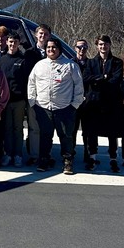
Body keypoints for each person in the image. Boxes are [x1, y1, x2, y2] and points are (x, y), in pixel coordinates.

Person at [28, 39, 85, 174]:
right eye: (48, 47)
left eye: (54, 47)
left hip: (65, 108)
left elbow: (79, 87)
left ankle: (67, 161)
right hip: (43, 108)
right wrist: (33, 104)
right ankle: (44, 160)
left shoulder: (70, 65)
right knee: (45, 136)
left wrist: (74, 105)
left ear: (59, 49)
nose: (50, 50)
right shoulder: (39, 65)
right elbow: (31, 83)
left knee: (66, 136)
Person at [82, 35, 124, 172]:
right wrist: (102, 77)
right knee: (92, 132)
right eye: (100, 44)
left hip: (111, 102)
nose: (103, 47)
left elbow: (116, 80)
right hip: (94, 103)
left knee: (112, 133)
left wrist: (98, 82)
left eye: (105, 44)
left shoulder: (117, 62)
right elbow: (86, 79)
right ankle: (93, 158)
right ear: (97, 46)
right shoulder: (90, 62)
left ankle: (113, 159)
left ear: (110, 45)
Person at [22, 24, 52, 166]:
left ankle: (45, 154)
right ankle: (34, 155)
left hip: (50, 97)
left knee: (46, 128)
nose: (43, 36)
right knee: (33, 127)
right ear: (35, 35)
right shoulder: (29, 53)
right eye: (40, 33)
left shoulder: (53, 52)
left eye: (45, 34)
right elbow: (27, 76)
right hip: (34, 95)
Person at [0, 34, 30, 167]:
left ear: (18, 43)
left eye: (15, 42)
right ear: (7, 42)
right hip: (4, 101)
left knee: (18, 128)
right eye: (10, 42)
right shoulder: (2, 59)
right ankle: (8, 154)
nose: (12, 44)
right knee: (7, 129)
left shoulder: (23, 60)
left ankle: (18, 155)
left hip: (19, 101)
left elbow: (28, 80)